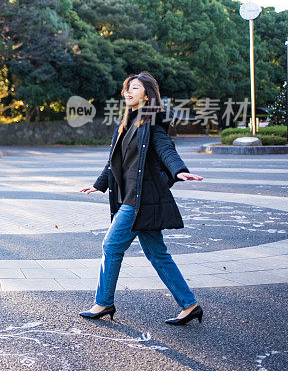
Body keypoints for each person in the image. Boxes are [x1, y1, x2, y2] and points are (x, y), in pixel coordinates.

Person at [79, 72, 205, 325]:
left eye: (134, 88)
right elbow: (113, 162)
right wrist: (98, 185)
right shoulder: (125, 125)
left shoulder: (153, 124)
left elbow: (166, 149)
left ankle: (103, 302)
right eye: (127, 88)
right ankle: (189, 304)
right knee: (157, 253)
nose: (128, 92)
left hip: (139, 201)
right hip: (131, 198)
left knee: (111, 245)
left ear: (147, 94)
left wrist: (180, 171)